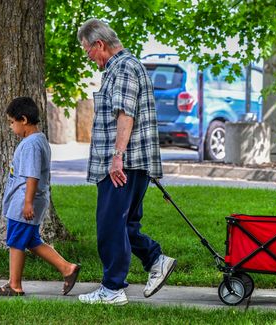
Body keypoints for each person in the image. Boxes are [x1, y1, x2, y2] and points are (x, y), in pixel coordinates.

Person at [76, 19, 176, 305]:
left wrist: (117, 157)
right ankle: (156, 260)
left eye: (88, 52)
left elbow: (125, 114)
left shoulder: (122, 68)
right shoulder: (126, 67)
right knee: (125, 226)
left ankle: (112, 289)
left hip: (124, 165)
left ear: (99, 45)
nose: (89, 58)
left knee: (109, 225)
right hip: (132, 164)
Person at [0, 97, 80, 297]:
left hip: (25, 200)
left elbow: (32, 175)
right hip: (27, 199)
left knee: (15, 242)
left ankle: (14, 286)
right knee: (31, 240)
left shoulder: (30, 144)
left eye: (12, 122)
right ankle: (67, 268)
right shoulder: (38, 140)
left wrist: (27, 203)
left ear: (23, 119)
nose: (11, 127)